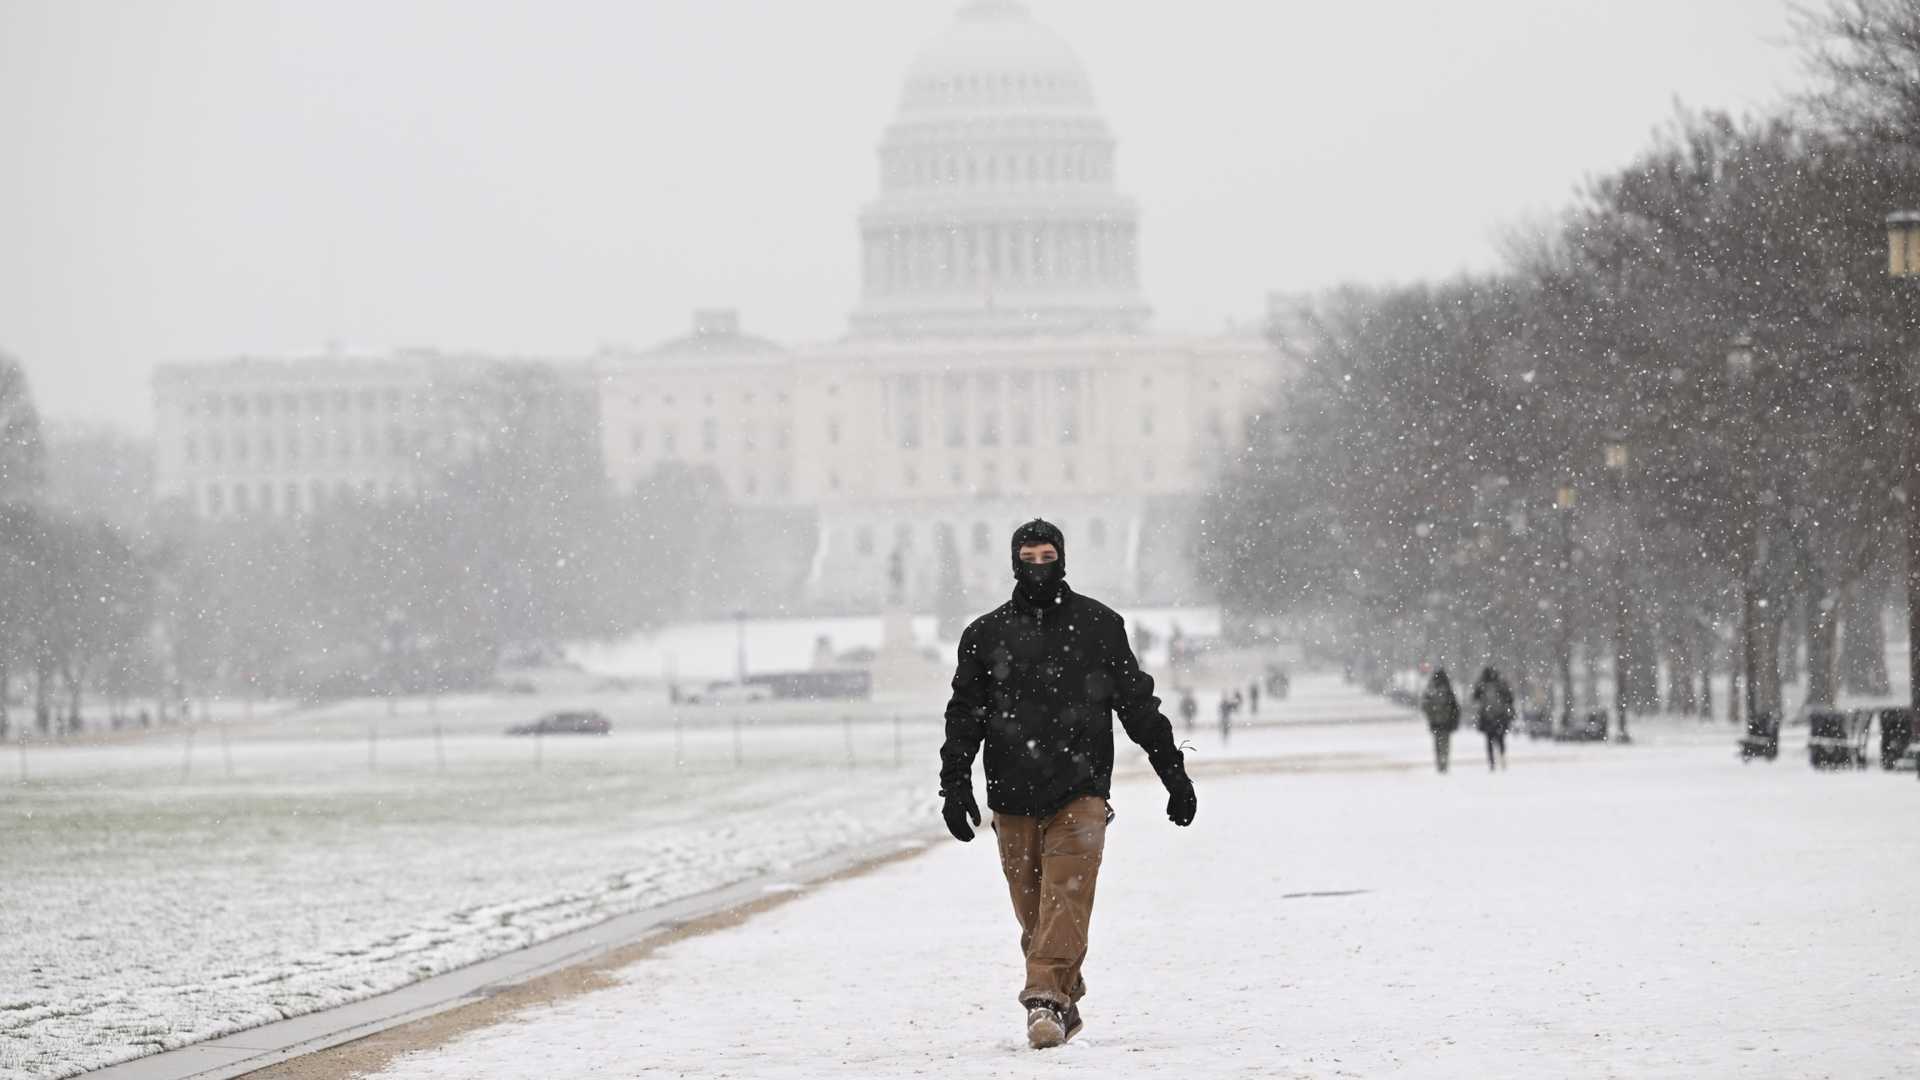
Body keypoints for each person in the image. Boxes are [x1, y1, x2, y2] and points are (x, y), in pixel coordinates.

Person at [940, 519, 1196, 1050]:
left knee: (1067, 898)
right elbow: (964, 714)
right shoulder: (985, 635)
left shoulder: (1099, 625)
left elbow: (1137, 705)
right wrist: (955, 783)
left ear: (1063, 558)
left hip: (1080, 788)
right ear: (1015, 563)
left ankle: (1045, 1003)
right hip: (1011, 793)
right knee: (1036, 912)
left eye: (1047, 557)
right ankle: (1063, 987)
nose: (1038, 568)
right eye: (1029, 558)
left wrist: (1172, 771)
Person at [1471, 667, 1515, 770]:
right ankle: (1502, 757)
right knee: (1500, 740)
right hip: (1500, 717)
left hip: (1487, 718)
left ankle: (1492, 762)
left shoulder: (1483, 685)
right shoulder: (1501, 684)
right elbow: (1510, 698)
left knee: (1489, 741)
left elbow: (1474, 697)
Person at [1421, 667, 1460, 773]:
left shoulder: (1432, 689)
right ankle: (1444, 762)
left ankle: (1439, 763)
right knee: (1445, 743)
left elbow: (1425, 705)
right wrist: (1454, 719)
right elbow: (1455, 707)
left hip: (1435, 722)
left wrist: (1431, 715)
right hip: (1446, 722)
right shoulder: (1448, 689)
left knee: (1437, 743)